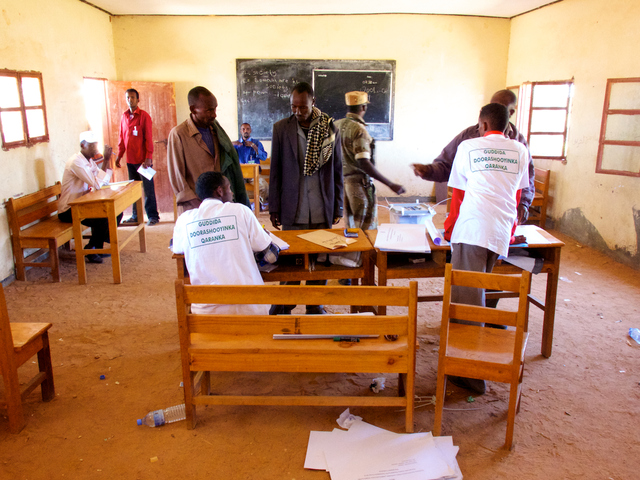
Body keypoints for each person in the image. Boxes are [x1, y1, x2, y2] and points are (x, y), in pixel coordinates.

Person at [444, 103, 530, 394]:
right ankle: (470, 361)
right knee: (479, 294)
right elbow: (517, 195)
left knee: (467, 303)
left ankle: (471, 375)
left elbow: (458, 194)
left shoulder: (469, 147)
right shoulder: (519, 150)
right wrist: (510, 230)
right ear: (506, 126)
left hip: (473, 229)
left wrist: (449, 229)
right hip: (499, 233)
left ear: (481, 125)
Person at [268, 81, 343, 315]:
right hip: (294, 206)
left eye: (303, 107)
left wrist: (338, 204)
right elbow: (276, 170)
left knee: (319, 260)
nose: (298, 112)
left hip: (321, 205)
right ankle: (284, 304)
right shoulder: (281, 128)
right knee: (292, 260)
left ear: (314, 103)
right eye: (294, 107)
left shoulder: (330, 129)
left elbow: (337, 170)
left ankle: (314, 304)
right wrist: (274, 206)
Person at [412, 89, 535, 224]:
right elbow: (447, 165)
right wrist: (429, 171)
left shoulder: (519, 144)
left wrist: (524, 203)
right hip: (473, 211)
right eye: (491, 106)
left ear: (511, 113)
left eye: (500, 108)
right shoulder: (469, 136)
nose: (493, 111)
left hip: (503, 214)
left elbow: (526, 177)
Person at [172, 171, 279, 315]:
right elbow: (269, 255)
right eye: (229, 188)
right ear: (220, 191)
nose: (232, 193)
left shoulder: (185, 219)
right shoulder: (240, 211)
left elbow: (177, 248)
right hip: (250, 309)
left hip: (206, 314)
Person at [167, 86, 249, 215]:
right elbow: (177, 177)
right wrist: (201, 207)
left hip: (220, 206)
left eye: (215, 109)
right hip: (195, 208)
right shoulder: (179, 134)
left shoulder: (216, 131)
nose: (214, 114)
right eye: (209, 110)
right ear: (193, 109)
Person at [335, 91, 405, 239]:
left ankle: (354, 259)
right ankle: (364, 260)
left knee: (352, 225)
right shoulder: (359, 129)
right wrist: (390, 184)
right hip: (360, 185)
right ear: (363, 107)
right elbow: (364, 163)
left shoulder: (336, 125)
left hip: (343, 183)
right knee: (367, 229)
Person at [58, 131, 122, 264]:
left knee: (117, 212)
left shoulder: (89, 161)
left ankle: (96, 248)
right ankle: (91, 249)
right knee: (102, 218)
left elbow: (102, 180)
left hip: (81, 204)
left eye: (96, 145)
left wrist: (106, 161)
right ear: (83, 145)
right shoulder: (76, 162)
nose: (95, 149)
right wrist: (105, 161)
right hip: (68, 209)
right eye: (92, 146)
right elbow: (97, 183)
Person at [114, 88, 161, 226]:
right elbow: (121, 139)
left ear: (137, 99)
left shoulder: (144, 116)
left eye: (132, 97)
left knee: (148, 189)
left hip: (143, 161)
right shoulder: (124, 117)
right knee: (133, 191)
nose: (130, 100)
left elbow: (148, 138)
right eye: (128, 97)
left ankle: (153, 216)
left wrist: (148, 157)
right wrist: (119, 156)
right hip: (130, 160)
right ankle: (136, 216)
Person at [232, 122, 269, 210]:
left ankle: (263, 205)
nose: (246, 131)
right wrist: (232, 143)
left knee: (264, 186)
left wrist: (254, 147)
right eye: (243, 129)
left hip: (254, 174)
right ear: (240, 131)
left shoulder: (256, 143)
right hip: (241, 174)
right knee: (232, 186)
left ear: (250, 131)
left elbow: (264, 157)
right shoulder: (237, 144)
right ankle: (239, 208)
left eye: (247, 129)